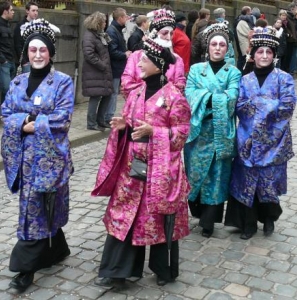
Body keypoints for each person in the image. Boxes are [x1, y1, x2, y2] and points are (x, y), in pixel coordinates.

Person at [91, 37, 191, 288]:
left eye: (144, 60)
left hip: (162, 170)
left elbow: (181, 134)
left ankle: (163, 268)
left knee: (160, 215)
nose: (139, 64)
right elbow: (132, 121)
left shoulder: (174, 97)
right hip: (131, 167)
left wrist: (154, 132)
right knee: (125, 214)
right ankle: (118, 270)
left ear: (158, 65)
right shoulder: (135, 93)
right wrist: (125, 126)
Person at [1, 18, 74, 292]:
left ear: (51, 53)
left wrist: (33, 122)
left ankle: (29, 265)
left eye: (43, 50)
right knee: (35, 208)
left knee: (45, 205)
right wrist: (24, 123)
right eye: (33, 50)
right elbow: (6, 113)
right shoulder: (18, 81)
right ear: (27, 52)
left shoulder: (63, 82)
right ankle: (46, 256)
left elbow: (63, 118)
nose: (38, 54)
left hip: (51, 158)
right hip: (24, 160)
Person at [225, 27, 297, 240]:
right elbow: (239, 106)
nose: (264, 55)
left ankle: (268, 219)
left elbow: (287, 106)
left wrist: (259, 105)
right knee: (246, 181)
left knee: (268, 182)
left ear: (274, 55)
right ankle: (248, 224)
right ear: (253, 54)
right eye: (260, 52)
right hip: (247, 140)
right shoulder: (245, 80)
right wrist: (267, 105)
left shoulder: (284, 79)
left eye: (268, 52)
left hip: (276, 141)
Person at [184, 22, 241, 238]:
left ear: (227, 49)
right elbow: (189, 93)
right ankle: (196, 209)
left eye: (222, 45)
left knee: (217, 175)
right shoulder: (196, 70)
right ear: (208, 47)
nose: (217, 48)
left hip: (220, 131)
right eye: (214, 44)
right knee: (195, 171)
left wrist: (205, 97)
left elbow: (232, 96)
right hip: (198, 131)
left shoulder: (233, 72)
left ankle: (209, 220)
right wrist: (211, 98)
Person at [121, 8, 186, 98]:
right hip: (139, 106)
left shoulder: (176, 60)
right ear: (154, 33)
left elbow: (180, 86)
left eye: (171, 34)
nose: (168, 37)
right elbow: (126, 84)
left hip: (166, 108)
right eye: (164, 33)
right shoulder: (136, 56)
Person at [81, 11, 113, 131]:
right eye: (104, 21)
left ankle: (101, 120)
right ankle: (91, 123)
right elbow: (89, 54)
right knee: (95, 97)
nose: (105, 23)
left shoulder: (99, 34)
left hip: (102, 71)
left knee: (106, 95)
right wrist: (102, 65)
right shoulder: (89, 35)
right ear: (98, 23)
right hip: (94, 71)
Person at [105, 7, 132, 126]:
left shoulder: (118, 29)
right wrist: (125, 54)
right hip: (114, 67)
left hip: (118, 67)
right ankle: (108, 116)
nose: (127, 18)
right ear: (120, 18)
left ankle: (109, 115)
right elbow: (113, 51)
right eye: (126, 16)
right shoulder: (112, 31)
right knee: (113, 93)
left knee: (115, 92)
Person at [14, 1, 38, 73]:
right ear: (27, 11)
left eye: (37, 11)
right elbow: (17, 44)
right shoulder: (20, 26)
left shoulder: (38, 25)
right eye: (33, 10)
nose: (35, 13)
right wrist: (23, 61)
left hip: (36, 60)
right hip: (26, 61)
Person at [0, 1, 15, 108]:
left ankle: (4, 112)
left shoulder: (9, 25)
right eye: (11, 10)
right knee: (6, 88)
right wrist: (3, 59)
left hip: (11, 61)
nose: (13, 12)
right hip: (4, 62)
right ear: (5, 11)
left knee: (10, 89)